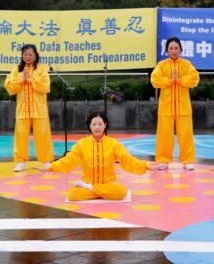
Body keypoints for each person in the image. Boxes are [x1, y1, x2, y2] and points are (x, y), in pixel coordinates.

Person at [41, 111, 165, 201]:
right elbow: (69, 160)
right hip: (89, 180)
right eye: (94, 124)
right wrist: (51, 167)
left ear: (105, 125)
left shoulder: (113, 144)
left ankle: (90, 188)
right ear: (89, 126)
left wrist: (147, 165)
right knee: (72, 195)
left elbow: (127, 160)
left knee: (121, 193)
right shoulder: (82, 144)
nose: (97, 127)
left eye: (100, 124)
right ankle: (93, 188)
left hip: (108, 184)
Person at [150, 37, 200, 170]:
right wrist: (170, 81)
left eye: (176, 48)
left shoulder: (186, 64)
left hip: (183, 107)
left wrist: (179, 81)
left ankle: (187, 161)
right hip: (166, 107)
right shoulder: (161, 65)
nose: (174, 51)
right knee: (164, 135)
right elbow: (155, 80)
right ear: (167, 50)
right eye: (171, 48)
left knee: (186, 135)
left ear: (181, 50)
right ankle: (163, 161)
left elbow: (194, 79)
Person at [5, 44, 54, 172]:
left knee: (43, 134)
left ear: (35, 55)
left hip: (39, 108)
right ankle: (20, 162)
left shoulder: (42, 69)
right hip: (23, 108)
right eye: (25, 54)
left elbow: (45, 87)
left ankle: (45, 161)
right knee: (21, 135)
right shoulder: (17, 70)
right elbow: (9, 86)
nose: (27, 56)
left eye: (30, 54)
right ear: (22, 55)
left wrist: (31, 80)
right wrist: (21, 80)